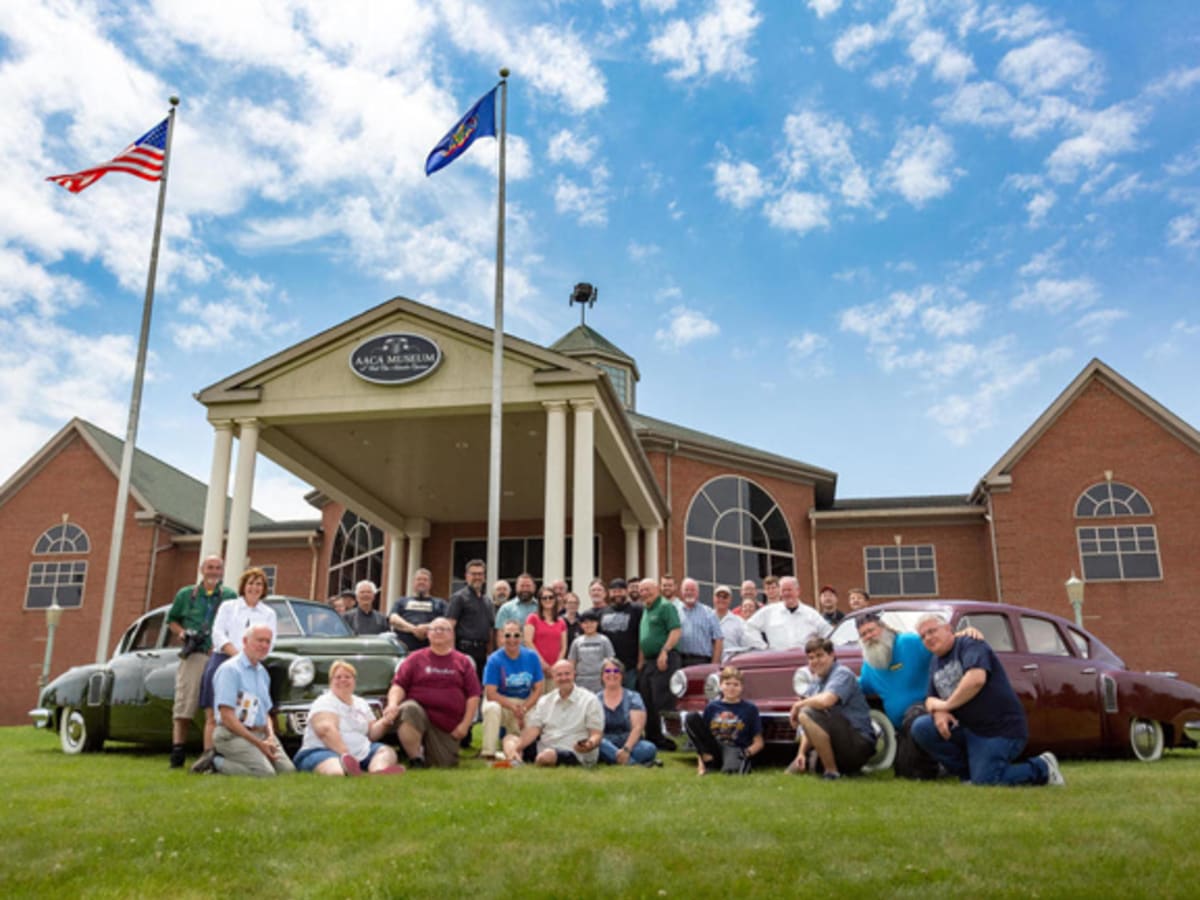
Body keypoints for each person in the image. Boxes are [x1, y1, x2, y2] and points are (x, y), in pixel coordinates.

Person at [910, 614, 1064, 787]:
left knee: (987, 781)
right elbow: (930, 699)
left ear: (947, 629)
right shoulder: (935, 661)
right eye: (923, 636)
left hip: (999, 730)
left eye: (932, 631)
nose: (928, 638)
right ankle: (967, 775)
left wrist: (946, 705)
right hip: (967, 729)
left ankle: (1042, 767)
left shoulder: (970, 644)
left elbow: (976, 679)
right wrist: (939, 713)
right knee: (922, 727)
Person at [856, 611, 983, 779]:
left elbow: (941, 645)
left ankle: (940, 766)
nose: (869, 637)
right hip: (900, 728)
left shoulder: (908, 642)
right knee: (904, 772)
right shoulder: (869, 664)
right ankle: (937, 767)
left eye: (872, 630)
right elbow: (860, 687)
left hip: (928, 712)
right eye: (863, 634)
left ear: (884, 628)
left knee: (914, 720)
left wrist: (963, 635)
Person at [190, 567, 277, 775]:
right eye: (250, 583)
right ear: (243, 586)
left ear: (263, 589)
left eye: (259, 584)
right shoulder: (229, 606)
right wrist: (239, 655)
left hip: (254, 662)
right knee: (215, 713)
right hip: (225, 658)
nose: (254, 588)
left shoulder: (268, 613)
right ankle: (209, 755)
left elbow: (271, 641)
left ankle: (241, 755)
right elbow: (218, 633)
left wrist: (251, 658)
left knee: (252, 708)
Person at [166, 554, 237, 769]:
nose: (214, 572)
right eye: (210, 567)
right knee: (184, 704)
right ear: (201, 569)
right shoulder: (186, 594)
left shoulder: (230, 596)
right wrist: (182, 634)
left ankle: (212, 752)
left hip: (218, 654)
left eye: (217, 568)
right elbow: (172, 620)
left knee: (215, 705)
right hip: (194, 652)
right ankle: (178, 751)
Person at [384, 618, 481, 768]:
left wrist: (464, 725)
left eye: (444, 629)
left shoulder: (463, 662)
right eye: (434, 629)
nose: (438, 632)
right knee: (409, 709)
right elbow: (398, 685)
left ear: (452, 635)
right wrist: (392, 704)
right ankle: (415, 758)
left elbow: (473, 695)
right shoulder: (414, 658)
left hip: (447, 723)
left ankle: (423, 751)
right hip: (419, 714)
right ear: (428, 634)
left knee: (444, 764)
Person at [210, 624, 295, 776]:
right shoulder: (230, 670)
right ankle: (215, 762)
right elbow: (227, 717)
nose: (264, 645)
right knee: (266, 774)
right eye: (259, 640)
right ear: (245, 641)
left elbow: (266, 713)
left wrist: (269, 737)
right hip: (232, 735)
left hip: (261, 734)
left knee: (288, 772)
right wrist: (258, 744)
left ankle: (254, 757)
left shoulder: (263, 673)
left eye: (268, 642)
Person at [786, 637, 876, 779]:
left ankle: (831, 772)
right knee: (792, 773)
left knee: (807, 712)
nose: (815, 661)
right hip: (835, 743)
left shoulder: (842, 673)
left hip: (858, 742)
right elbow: (809, 725)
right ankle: (830, 766)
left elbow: (826, 701)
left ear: (832, 655)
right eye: (811, 658)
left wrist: (799, 704)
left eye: (820, 655)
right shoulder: (816, 682)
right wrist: (801, 753)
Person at [294, 660, 404, 775]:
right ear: (330, 682)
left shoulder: (361, 703)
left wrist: (385, 721)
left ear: (354, 681)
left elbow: (371, 734)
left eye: (348, 677)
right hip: (323, 751)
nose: (343, 680)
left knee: (386, 751)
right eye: (338, 677)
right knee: (336, 772)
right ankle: (351, 769)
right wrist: (346, 755)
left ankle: (377, 771)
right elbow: (325, 731)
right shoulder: (324, 701)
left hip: (361, 752)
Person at [503, 660, 604, 767]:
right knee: (509, 739)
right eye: (559, 675)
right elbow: (534, 730)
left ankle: (517, 763)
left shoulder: (590, 700)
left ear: (574, 674)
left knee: (547, 756)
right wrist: (516, 748)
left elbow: (596, 734)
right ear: (553, 677)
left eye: (567, 674)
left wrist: (589, 744)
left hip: (573, 751)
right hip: (545, 747)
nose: (563, 678)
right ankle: (515, 759)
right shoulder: (545, 701)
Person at [480, 623, 545, 759]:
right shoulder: (494, 659)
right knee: (491, 708)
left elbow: (539, 688)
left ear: (521, 637)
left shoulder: (532, 656)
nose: (512, 639)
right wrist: (513, 708)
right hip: (501, 701)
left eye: (516, 635)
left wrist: (525, 708)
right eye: (508, 635)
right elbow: (491, 693)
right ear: (501, 637)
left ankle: (518, 751)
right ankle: (488, 753)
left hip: (524, 702)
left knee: (535, 720)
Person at [684, 666, 763, 775]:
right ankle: (708, 760)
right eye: (727, 684)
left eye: (736, 685)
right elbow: (702, 740)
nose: (731, 688)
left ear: (742, 687)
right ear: (720, 685)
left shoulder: (750, 709)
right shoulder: (712, 707)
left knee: (731, 772)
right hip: (715, 747)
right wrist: (700, 767)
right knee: (691, 717)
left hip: (735, 748)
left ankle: (727, 764)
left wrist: (746, 753)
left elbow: (759, 742)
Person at [637, 577, 682, 751]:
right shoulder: (645, 610)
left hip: (664, 659)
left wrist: (665, 651)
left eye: (647, 589)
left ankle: (667, 739)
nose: (644, 593)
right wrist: (641, 661)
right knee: (647, 700)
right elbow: (644, 638)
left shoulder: (665, 606)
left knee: (661, 700)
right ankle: (652, 737)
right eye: (641, 590)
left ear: (657, 589)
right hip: (649, 661)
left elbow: (676, 630)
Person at [596, 658, 658, 766]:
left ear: (622, 675)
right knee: (597, 744)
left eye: (616, 671)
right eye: (607, 671)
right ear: (602, 676)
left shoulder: (633, 697)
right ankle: (633, 764)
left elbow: (637, 728)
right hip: (605, 742)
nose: (612, 674)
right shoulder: (595, 699)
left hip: (630, 742)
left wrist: (626, 749)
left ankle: (613, 758)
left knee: (649, 748)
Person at [745, 576, 831, 651]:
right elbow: (749, 627)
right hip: (777, 661)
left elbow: (829, 633)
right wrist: (762, 648)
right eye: (783, 590)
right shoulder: (769, 612)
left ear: (798, 591)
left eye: (789, 590)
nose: (786, 593)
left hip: (805, 661)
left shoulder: (811, 614)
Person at [446, 559, 495, 679]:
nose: (477, 577)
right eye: (473, 574)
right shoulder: (459, 598)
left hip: (482, 652)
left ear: (484, 577)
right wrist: (451, 654)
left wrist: (490, 653)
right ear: (466, 576)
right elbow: (449, 626)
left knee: (479, 688)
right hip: (463, 650)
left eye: (480, 574)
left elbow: (489, 630)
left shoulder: (487, 601)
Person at [388, 568, 446, 652]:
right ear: (413, 583)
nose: (421, 582)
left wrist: (428, 627)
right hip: (404, 651)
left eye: (425, 580)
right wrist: (413, 629)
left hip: (432, 651)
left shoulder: (440, 603)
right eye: (418, 579)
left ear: (430, 584)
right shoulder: (401, 601)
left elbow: (447, 622)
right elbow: (393, 618)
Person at [600, 578, 643, 690]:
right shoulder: (603, 612)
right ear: (609, 593)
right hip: (609, 667)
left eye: (620, 591)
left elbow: (642, 636)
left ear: (626, 591)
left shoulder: (637, 609)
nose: (617, 594)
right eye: (614, 591)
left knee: (629, 697)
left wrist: (640, 660)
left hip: (630, 666)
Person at [674, 577, 724, 668]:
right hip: (679, 661)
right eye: (686, 590)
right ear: (681, 592)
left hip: (702, 662)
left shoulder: (709, 613)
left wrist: (714, 664)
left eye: (692, 590)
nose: (689, 592)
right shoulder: (675, 612)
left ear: (698, 592)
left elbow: (718, 640)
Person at [567, 609, 615, 692]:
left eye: (592, 622)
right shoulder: (577, 641)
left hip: (600, 680)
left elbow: (610, 661)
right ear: (581, 625)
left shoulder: (604, 640)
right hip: (581, 680)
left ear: (597, 623)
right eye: (585, 623)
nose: (589, 625)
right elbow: (572, 661)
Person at [525, 585, 567, 676]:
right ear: (540, 601)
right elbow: (528, 642)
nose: (548, 600)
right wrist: (542, 663)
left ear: (555, 599)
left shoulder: (561, 622)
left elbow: (563, 647)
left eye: (551, 597)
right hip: (536, 667)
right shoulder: (532, 618)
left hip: (555, 670)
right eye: (544, 598)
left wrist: (557, 666)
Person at [495, 573, 539, 638]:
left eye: (528, 586)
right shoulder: (506, 608)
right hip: (514, 648)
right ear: (516, 587)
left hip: (538, 648)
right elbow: (501, 637)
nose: (525, 589)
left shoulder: (541, 607)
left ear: (534, 588)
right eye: (522, 586)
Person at [712, 585, 749, 659]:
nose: (721, 599)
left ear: (730, 600)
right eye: (718, 596)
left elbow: (746, 646)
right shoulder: (706, 619)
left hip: (731, 666)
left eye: (725, 597)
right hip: (709, 664)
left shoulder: (739, 622)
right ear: (713, 598)